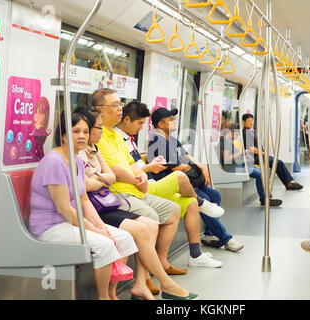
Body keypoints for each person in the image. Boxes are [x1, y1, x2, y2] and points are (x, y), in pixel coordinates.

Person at [92, 89, 223, 273]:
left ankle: (193, 255)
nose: (140, 128)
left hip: (143, 183)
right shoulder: (107, 137)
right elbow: (116, 171)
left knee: (190, 203)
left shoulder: (124, 139)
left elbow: (132, 165)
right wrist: (144, 174)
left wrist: (144, 172)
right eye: (115, 105)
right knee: (180, 177)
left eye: (120, 104)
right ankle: (209, 213)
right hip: (131, 189)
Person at [74, 106, 198, 300]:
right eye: (94, 128)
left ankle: (142, 281)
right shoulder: (75, 155)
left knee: (152, 221)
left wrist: (100, 179)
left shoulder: (95, 149)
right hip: (99, 203)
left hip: (107, 199)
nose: (96, 132)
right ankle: (162, 283)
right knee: (151, 217)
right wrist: (103, 179)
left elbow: (110, 177)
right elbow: (87, 185)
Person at [29, 111, 138, 300]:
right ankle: (102, 297)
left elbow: (84, 200)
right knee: (104, 245)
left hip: (69, 222)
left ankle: (112, 294)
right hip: (50, 226)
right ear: (63, 134)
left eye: (85, 132)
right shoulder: (54, 162)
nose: (82, 136)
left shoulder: (77, 160)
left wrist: (101, 226)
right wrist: (95, 231)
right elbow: (64, 208)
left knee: (124, 239)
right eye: (75, 131)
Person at [144, 106, 245, 251]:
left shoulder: (171, 140)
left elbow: (186, 157)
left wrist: (201, 168)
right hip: (173, 183)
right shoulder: (158, 142)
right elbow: (177, 168)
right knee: (204, 198)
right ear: (160, 124)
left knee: (215, 194)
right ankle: (225, 238)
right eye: (170, 120)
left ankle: (209, 235)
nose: (174, 122)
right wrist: (192, 167)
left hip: (188, 180)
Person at [220, 123, 282, 207]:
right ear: (231, 132)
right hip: (232, 168)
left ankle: (268, 197)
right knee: (260, 175)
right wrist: (241, 152)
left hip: (238, 165)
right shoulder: (225, 142)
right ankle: (264, 199)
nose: (237, 138)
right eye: (237, 135)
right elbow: (227, 159)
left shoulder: (229, 141)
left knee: (261, 172)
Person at [242, 113, 303, 191]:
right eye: (248, 121)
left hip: (260, 155)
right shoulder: (245, 133)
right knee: (277, 162)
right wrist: (263, 153)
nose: (251, 123)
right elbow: (251, 148)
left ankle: (289, 182)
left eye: (252, 121)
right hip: (255, 157)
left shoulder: (251, 131)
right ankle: (289, 182)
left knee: (278, 162)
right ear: (244, 122)